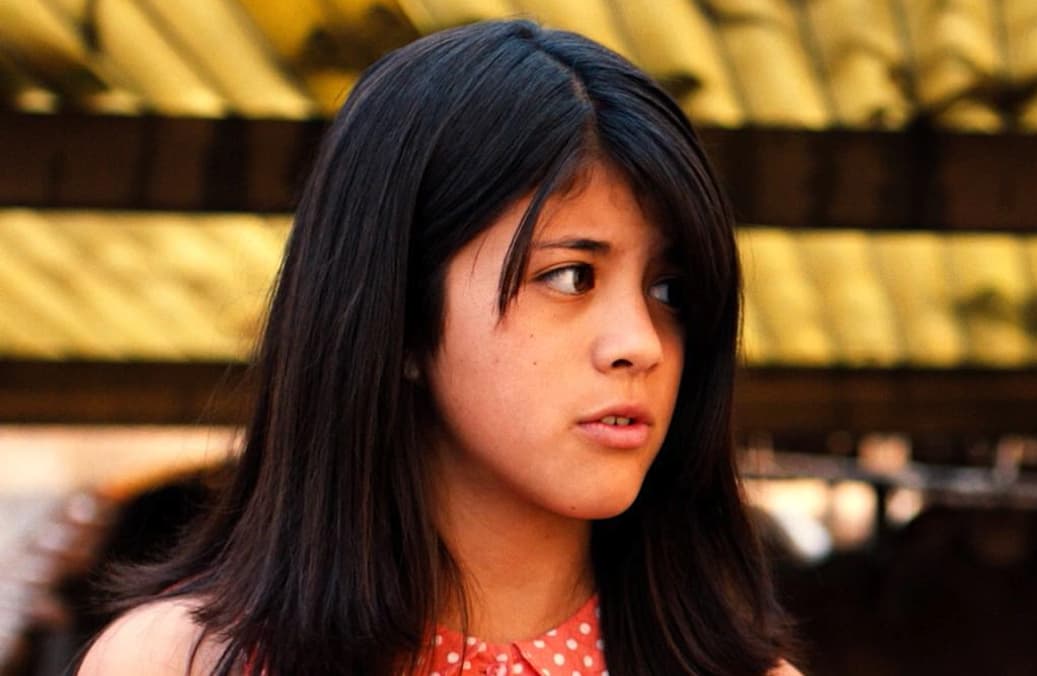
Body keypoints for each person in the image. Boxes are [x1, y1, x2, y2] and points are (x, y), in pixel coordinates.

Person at [79, 19, 799, 676]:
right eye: (570, 276)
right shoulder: (179, 664)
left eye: (669, 290)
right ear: (400, 314)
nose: (640, 344)